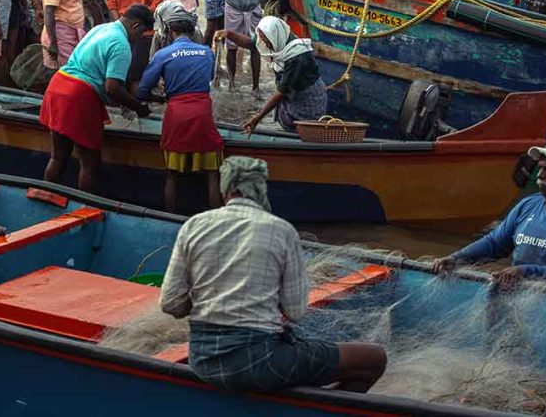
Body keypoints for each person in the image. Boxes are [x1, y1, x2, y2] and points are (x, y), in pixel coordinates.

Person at [161, 156, 387, 393]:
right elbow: (296, 311)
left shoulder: (193, 225)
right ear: (261, 190)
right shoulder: (282, 231)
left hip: (202, 360)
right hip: (261, 362)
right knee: (373, 359)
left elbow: (171, 302)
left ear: (225, 190)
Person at [433, 137, 546, 289]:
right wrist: (457, 258)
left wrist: (525, 272)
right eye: (540, 168)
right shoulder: (528, 205)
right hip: (521, 295)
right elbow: (495, 243)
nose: (540, 175)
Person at [39, 5, 153, 192]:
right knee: (89, 163)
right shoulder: (121, 45)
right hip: (79, 95)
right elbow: (112, 87)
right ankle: (86, 208)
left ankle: (45, 199)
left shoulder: (101, 28)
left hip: (58, 84)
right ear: (136, 26)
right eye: (141, 34)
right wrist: (138, 107)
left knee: (58, 157)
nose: (138, 39)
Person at [137, 4, 224, 212]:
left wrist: (159, 99)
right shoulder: (206, 52)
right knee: (213, 174)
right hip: (203, 114)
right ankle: (219, 220)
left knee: (172, 176)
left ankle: (170, 220)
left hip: (176, 115)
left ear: (170, 30)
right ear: (192, 30)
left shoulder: (163, 54)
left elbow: (142, 91)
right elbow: (211, 78)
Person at [225, 16, 328, 132]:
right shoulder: (279, 40)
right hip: (295, 92)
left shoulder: (297, 56)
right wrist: (228, 34)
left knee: (296, 126)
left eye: (266, 40)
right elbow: (251, 43)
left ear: (274, 36)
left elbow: (282, 91)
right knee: (283, 115)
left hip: (308, 99)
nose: (265, 43)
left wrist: (258, 118)